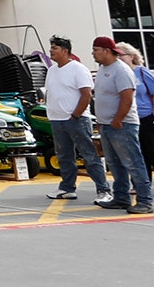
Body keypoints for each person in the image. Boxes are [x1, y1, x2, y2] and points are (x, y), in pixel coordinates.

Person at [42, 35, 109, 202]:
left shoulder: (78, 69)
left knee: (89, 155)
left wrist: (75, 115)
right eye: (51, 48)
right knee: (64, 156)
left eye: (55, 48)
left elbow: (86, 94)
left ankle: (103, 190)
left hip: (76, 120)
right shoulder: (51, 70)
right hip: (57, 120)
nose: (51, 51)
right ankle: (67, 188)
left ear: (65, 51)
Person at [90, 38, 152, 213]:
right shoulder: (103, 69)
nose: (93, 53)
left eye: (96, 49)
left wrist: (118, 119)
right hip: (107, 124)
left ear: (107, 50)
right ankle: (121, 197)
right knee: (115, 163)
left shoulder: (121, 70)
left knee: (133, 162)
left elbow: (127, 97)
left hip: (122, 124)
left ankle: (145, 201)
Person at [116, 41, 154, 197]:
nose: (119, 58)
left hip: (147, 116)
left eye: (121, 54)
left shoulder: (141, 72)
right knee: (137, 153)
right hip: (130, 119)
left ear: (131, 56)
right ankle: (140, 184)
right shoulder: (119, 74)